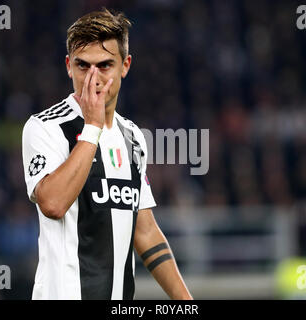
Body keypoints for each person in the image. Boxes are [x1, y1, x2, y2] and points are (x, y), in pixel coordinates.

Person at [22, 8, 192, 300]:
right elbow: (52, 204)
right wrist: (92, 127)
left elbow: (146, 232)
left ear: (124, 66)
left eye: (104, 66)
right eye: (83, 66)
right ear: (68, 66)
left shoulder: (133, 137)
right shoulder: (45, 128)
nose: (93, 78)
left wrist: (185, 302)